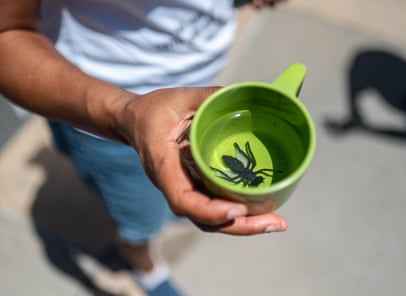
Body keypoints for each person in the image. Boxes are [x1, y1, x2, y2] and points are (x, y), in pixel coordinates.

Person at [0, 1, 287, 295]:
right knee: (140, 219)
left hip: (192, 91)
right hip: (114, 115)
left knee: (173, 194)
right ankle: (144, 265)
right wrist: (123, 113)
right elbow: (6, 32)